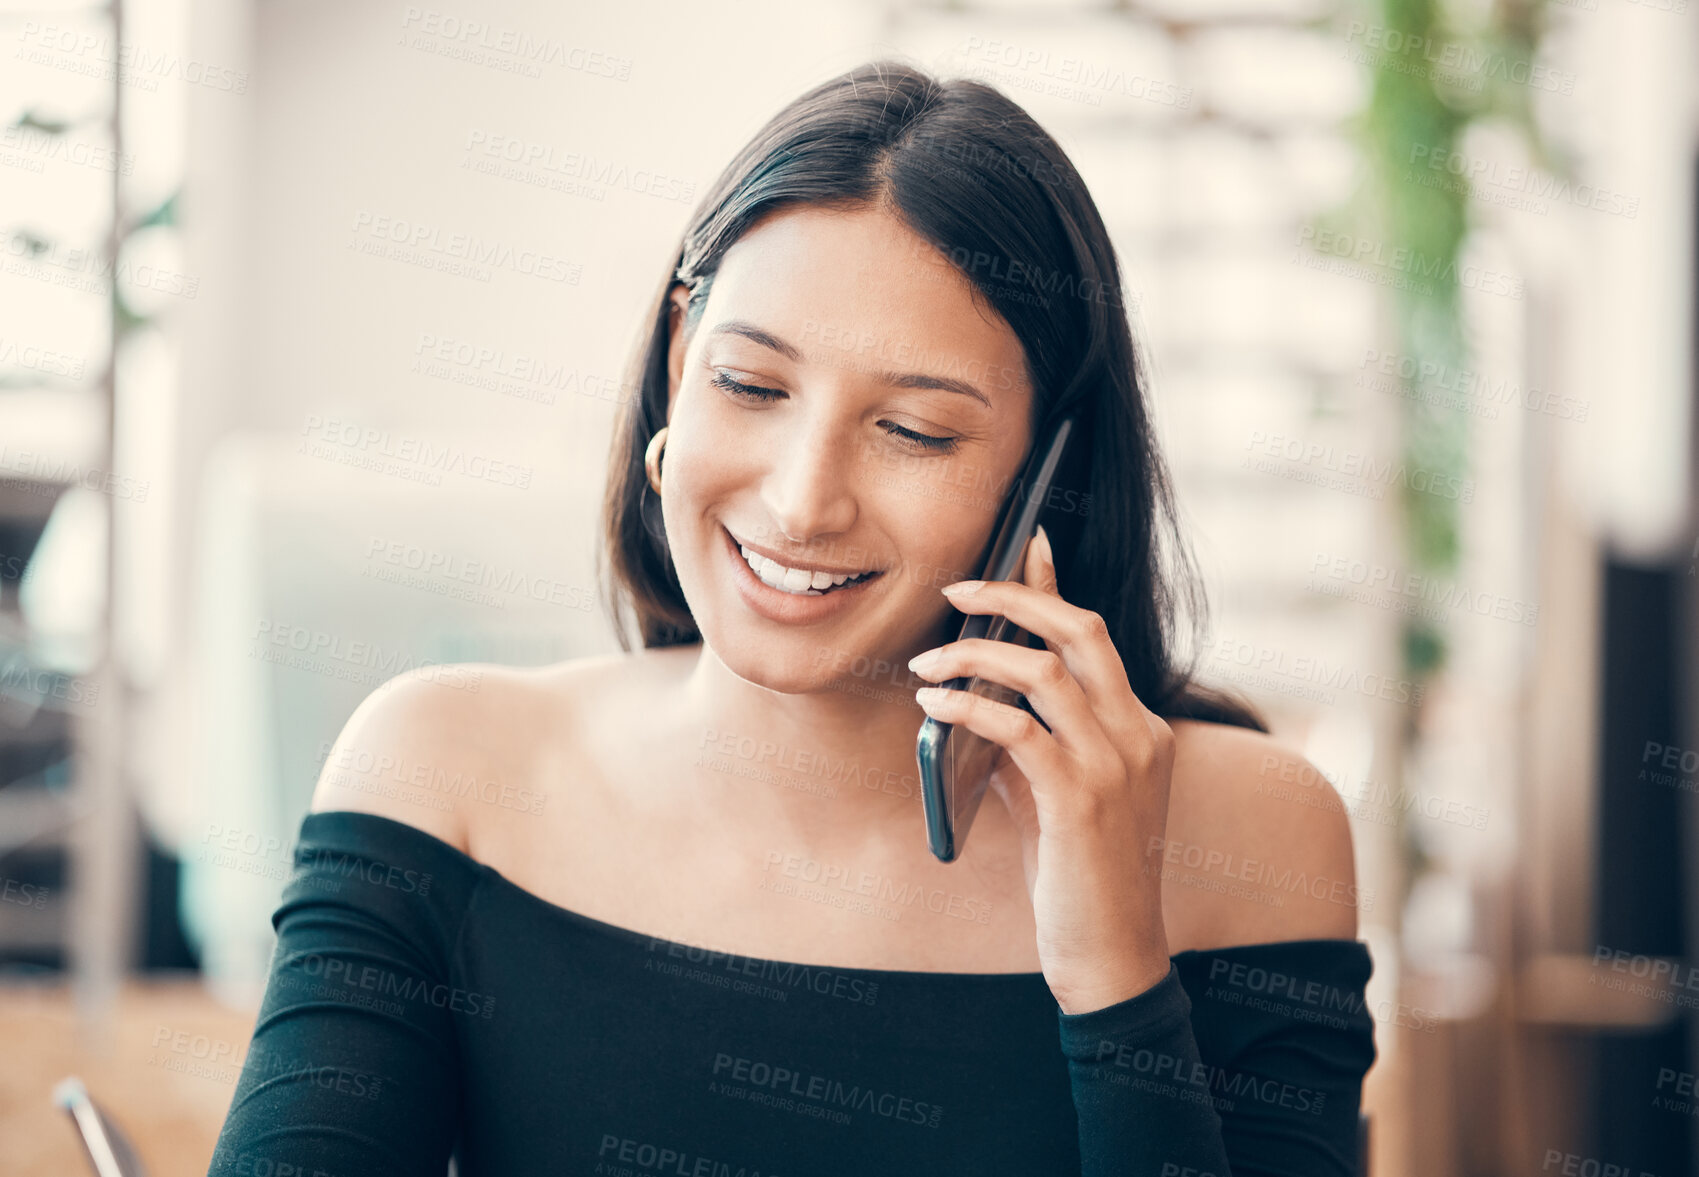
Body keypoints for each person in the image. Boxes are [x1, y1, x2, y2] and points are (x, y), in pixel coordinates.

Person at [207, 59, 1376, 1177]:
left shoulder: (1251, 834)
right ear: (678, 360)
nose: (800, 500)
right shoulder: (444, 773)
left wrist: (1115, 970)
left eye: (914, 430)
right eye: (751, 386)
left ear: (1045, 475)